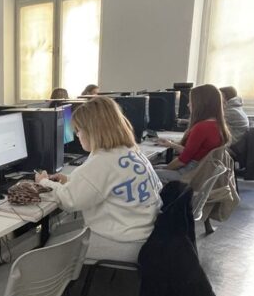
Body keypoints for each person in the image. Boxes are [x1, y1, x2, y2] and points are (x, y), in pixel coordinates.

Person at [36, 97, 162, 263]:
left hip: (125, 243)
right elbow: (103, 184)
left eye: (78, 130)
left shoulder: (103, 161)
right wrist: (68, 179)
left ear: (92, 131)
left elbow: (70, 201)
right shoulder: (130, 150)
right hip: (145, 233)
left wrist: (44, 182)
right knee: (60, 231)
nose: (77, 135)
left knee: (48, 248)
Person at [155, 83, 230, 183]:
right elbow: (191, 153)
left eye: (191, 101)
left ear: (201, 104)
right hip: (201, 171)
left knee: (148, 173)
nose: (188, 105)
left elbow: (182, 161)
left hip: (190, 174)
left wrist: (165, 169)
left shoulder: (202, 127)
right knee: (153, 168)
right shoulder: (217, 124)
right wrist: (171, 144)